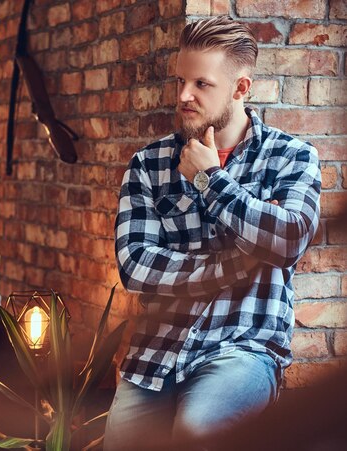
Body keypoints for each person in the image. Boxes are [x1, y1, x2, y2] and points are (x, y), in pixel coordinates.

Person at [105, 16, 321, 450]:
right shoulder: (149, 165)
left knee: (196, 433)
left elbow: (288, 240)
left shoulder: (291, 157)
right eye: (181, 80)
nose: (184, 95)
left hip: (243, 349)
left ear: (241, 88)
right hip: (155, 353)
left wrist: (210, 180)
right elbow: (135, 266)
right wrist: (244, 258)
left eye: (201, 84)